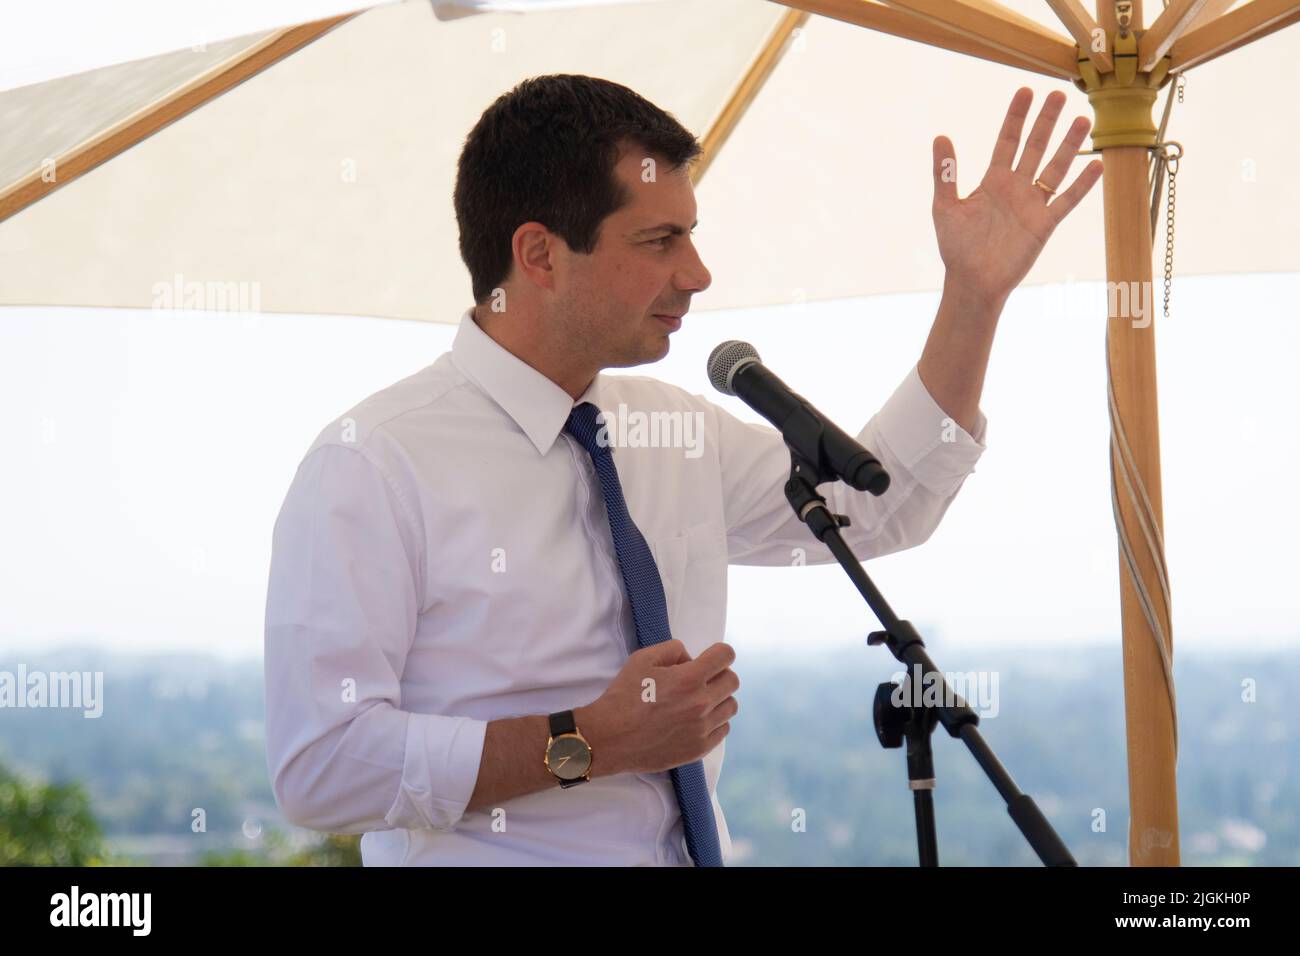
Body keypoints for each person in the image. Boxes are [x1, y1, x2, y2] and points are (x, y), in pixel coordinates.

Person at [263, 75, 1101, 866]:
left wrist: (975, 295)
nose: (697, 275)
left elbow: (885, 507)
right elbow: (321, 765)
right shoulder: (372, 463)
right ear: (540, 255)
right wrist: (587, 741)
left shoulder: (672, 429)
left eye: (690, 235)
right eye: (660, 240)